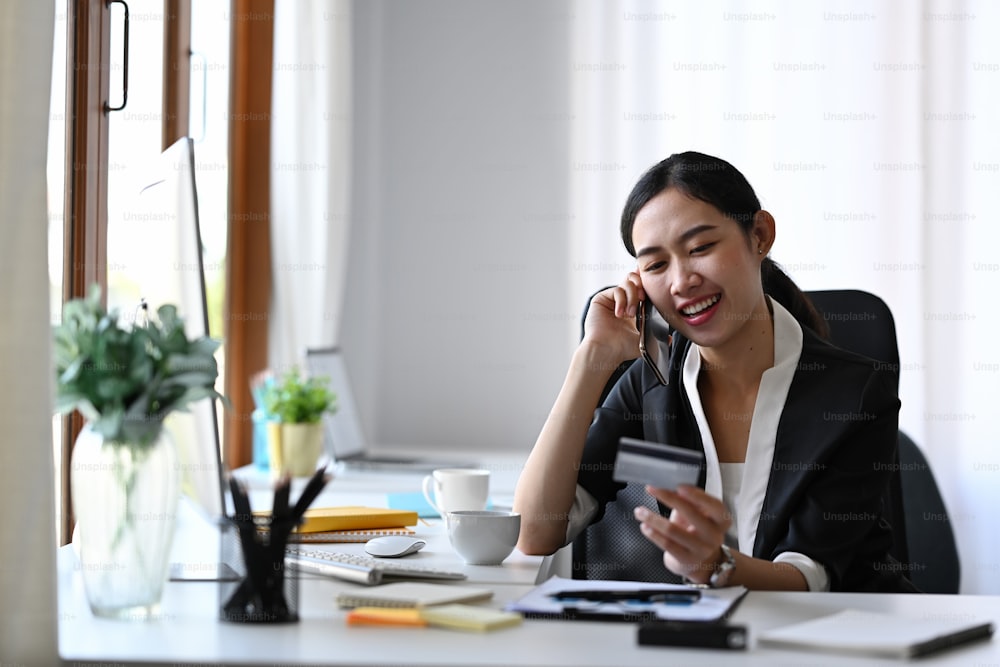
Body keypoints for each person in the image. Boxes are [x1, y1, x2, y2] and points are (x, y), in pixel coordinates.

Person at [513, 151, 917, 592]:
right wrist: (591, 359)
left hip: (842, 639)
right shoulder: (654, 385)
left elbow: (809, 576)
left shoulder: (854, 392)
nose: (682, 281)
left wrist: (714, 565)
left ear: (759, 235)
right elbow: (537, 533)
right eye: (656, 264)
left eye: (701, 248)